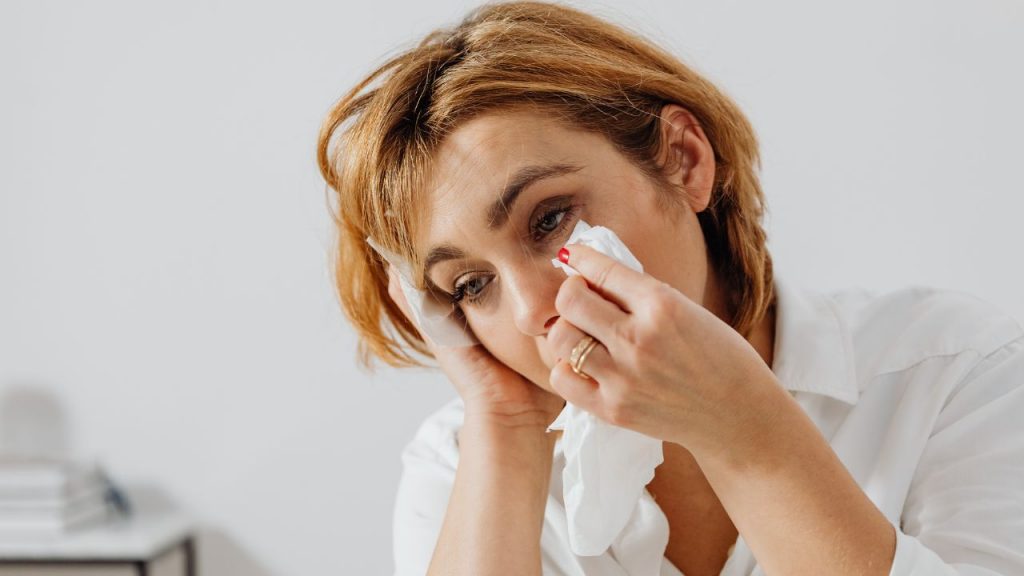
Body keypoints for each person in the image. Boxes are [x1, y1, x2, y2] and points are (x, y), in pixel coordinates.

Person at [316, 2, 1024, 575]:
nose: (533, 310)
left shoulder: (949, 373)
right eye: (471, 284)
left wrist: (746, 435)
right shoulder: (458, 467)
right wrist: (505, 426)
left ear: (684, 160)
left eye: (552, 219)